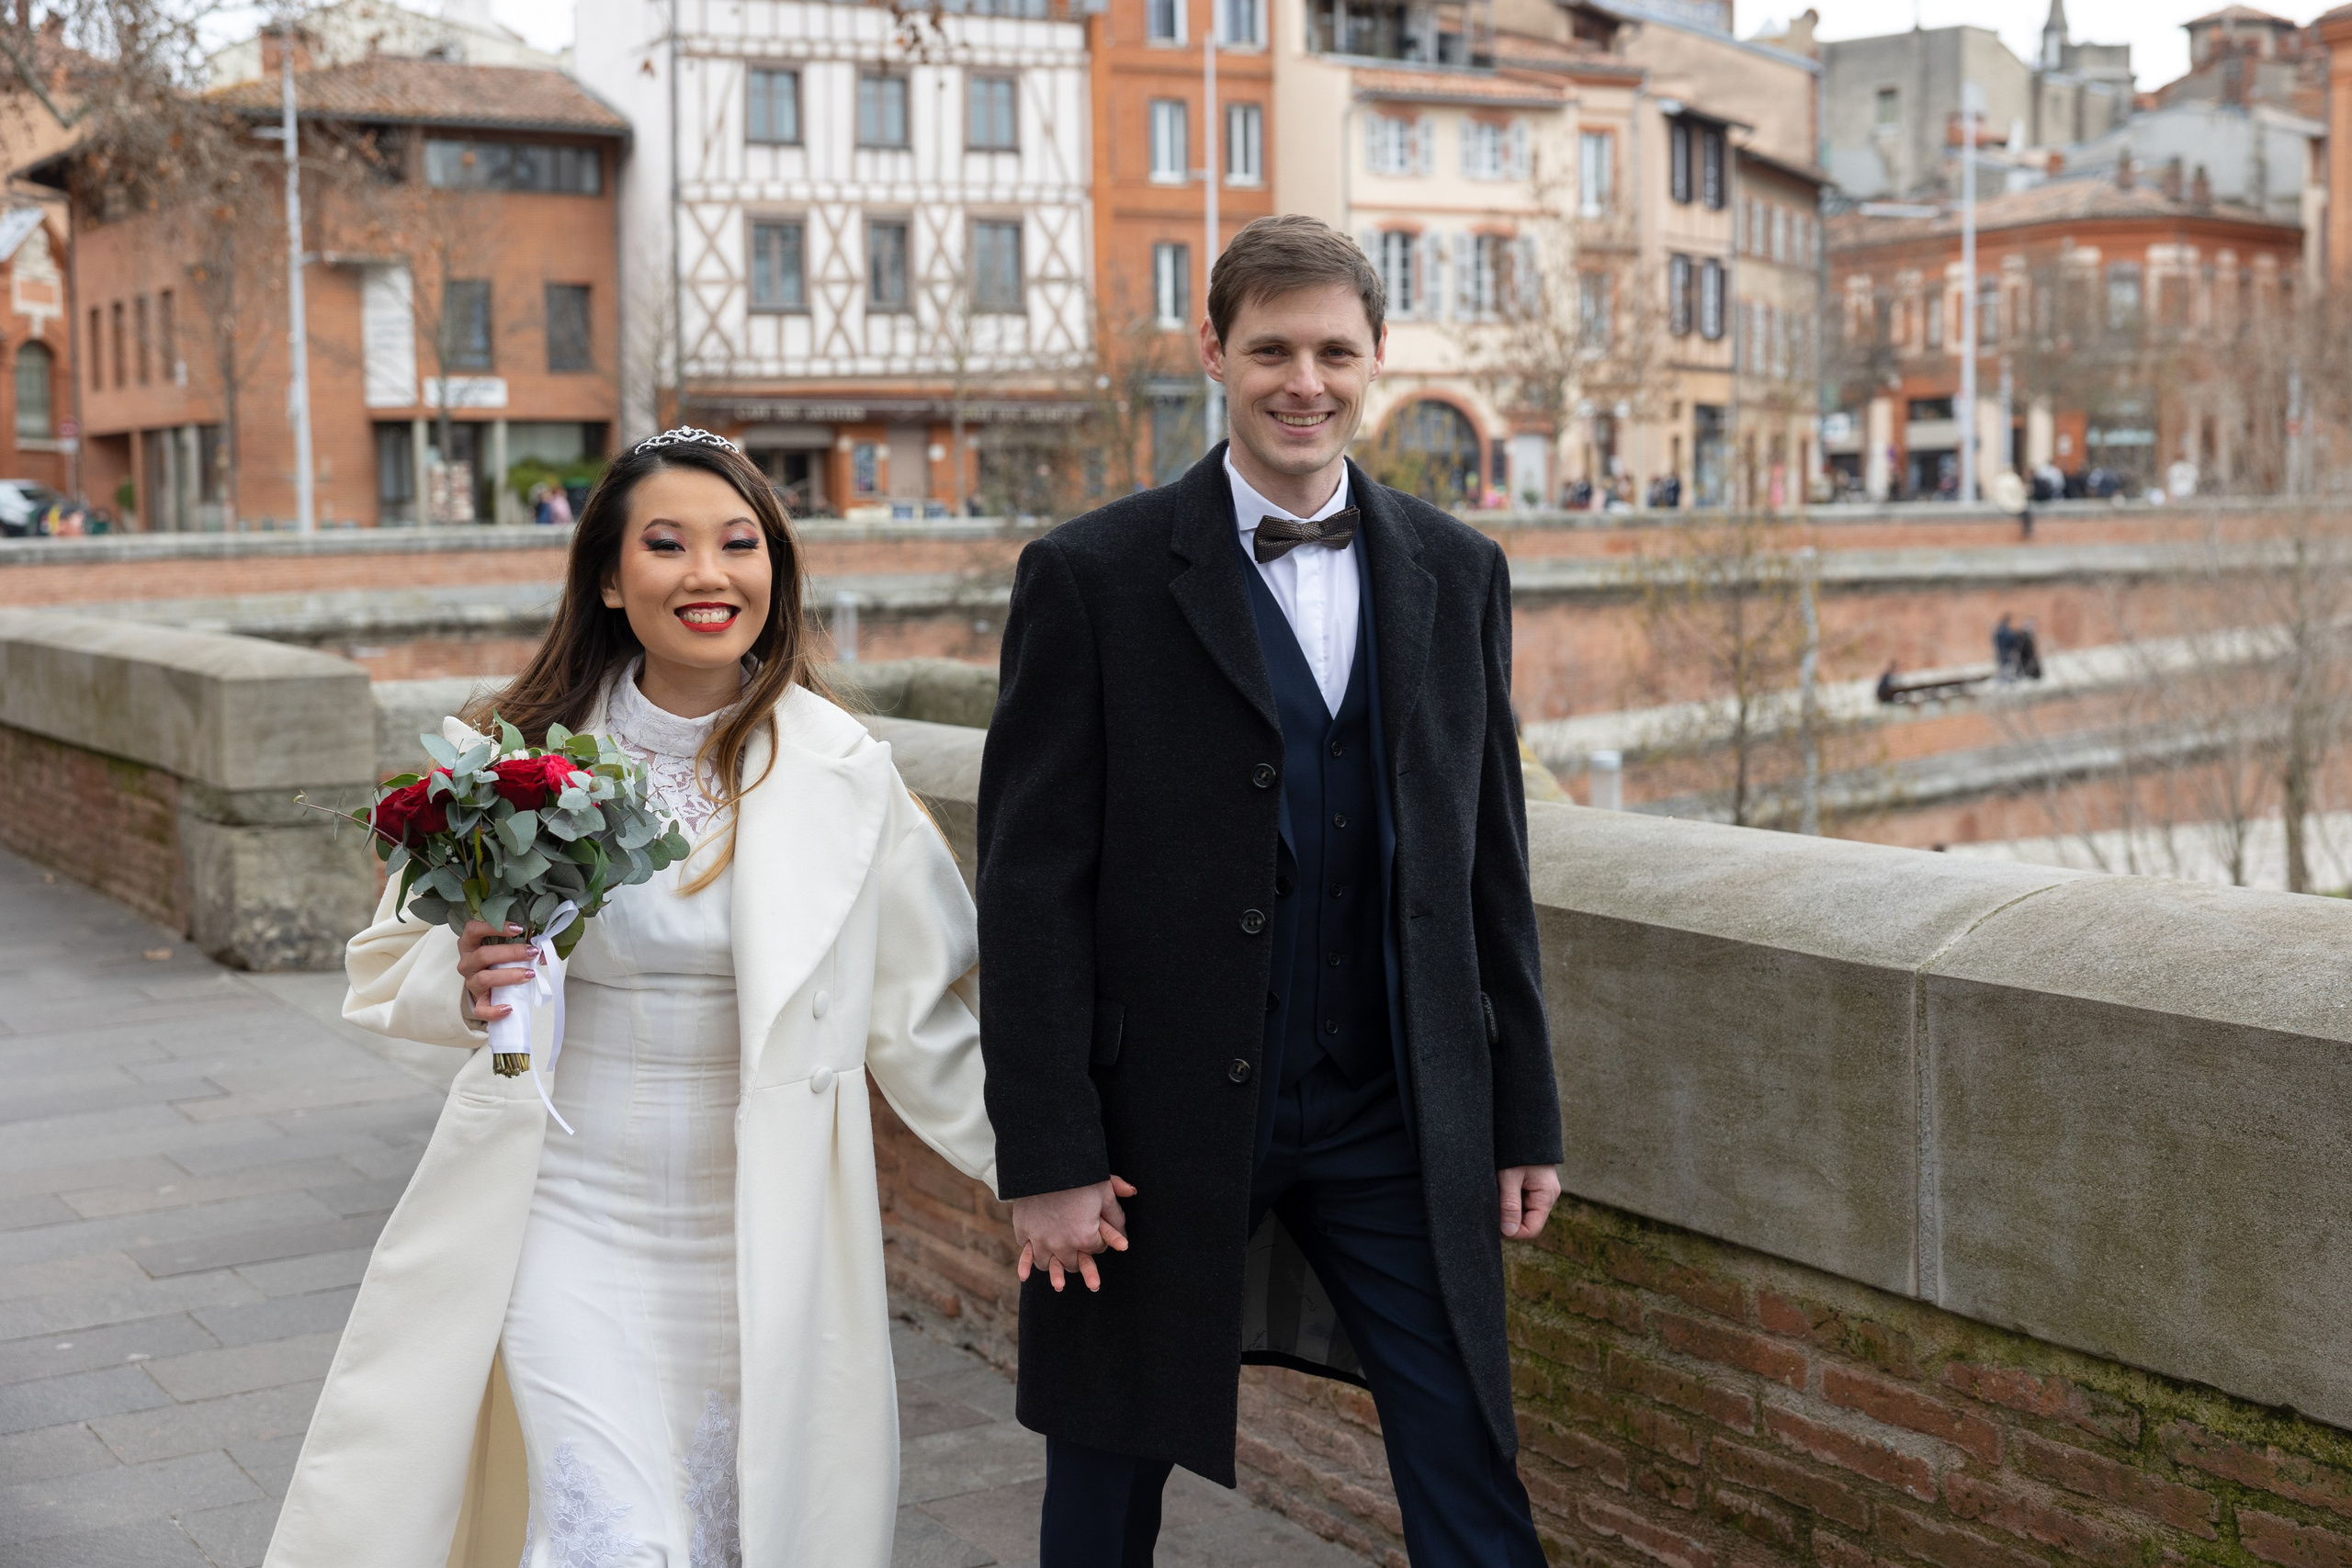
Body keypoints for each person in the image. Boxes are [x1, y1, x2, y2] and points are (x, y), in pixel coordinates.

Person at [265, 429, 996, 1568]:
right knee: (616, 1541)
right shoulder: (510, 762)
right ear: (610, 577)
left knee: (731, 1533)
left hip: (764, 1227)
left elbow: (918, 1019)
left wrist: (1045, 1167)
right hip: (566, 1203)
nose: (708, 574)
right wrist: (466, 979)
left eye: (739, 544)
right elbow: (386, 963)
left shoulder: (847, 776)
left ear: (775, 571)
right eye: (667, 544)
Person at [976, 214, 1562, 1568]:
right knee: (1108, 1468)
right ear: (1213, 353)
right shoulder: (1092, 575)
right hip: (1154, 1115)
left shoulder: (1459, 569)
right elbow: (1030, 890)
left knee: (1469, 1446)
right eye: (1274, 349)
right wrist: (1049, 1151)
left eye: (1335, 351)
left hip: (1390, 1108)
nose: (1307, 380)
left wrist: (1520, 1107)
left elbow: (1493, 866)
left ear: (1377, 359)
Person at [1994, 612, 2018, 679]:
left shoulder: (1999, 630)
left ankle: (2004, 680)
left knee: (2003, 667)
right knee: (2007, 667)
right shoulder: (2005, 630)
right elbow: (2010, 639)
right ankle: (2009, 681)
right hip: (2006, 651)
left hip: (2001, 651)